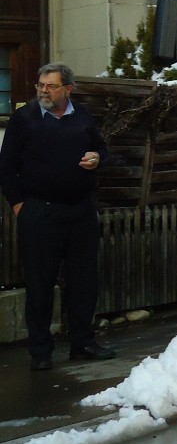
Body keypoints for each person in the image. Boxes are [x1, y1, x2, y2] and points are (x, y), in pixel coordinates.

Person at [0, 62, 115, 370]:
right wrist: (19, 206)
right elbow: (6, 167)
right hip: (40, 212)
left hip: (80, 211)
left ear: (68, 89)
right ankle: (41, 352)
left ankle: (82, 343)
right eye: (40, 85)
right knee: (40, 283)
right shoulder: (24, 119)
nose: (43, 91)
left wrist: (97, 158)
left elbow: (102, 150)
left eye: (50, 86)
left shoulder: (83, 116)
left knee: (84, 281)